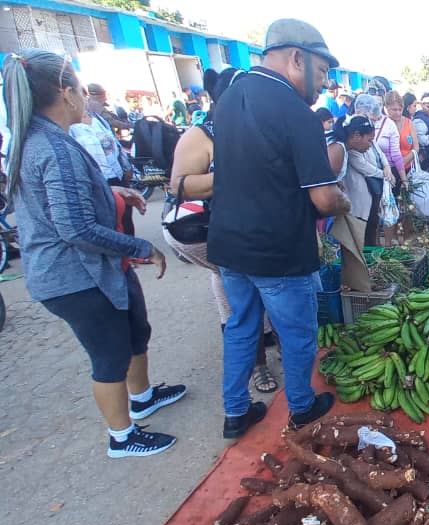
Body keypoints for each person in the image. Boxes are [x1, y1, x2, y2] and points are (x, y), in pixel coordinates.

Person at [2, 49, 187, 457]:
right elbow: (75, 229)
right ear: (67, 94)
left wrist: (112, 192)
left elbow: (64, 205)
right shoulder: (53, 148)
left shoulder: (48, 140)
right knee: (110, 355)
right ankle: (122, 437)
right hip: (74, 277)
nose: (88, 99)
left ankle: (143, 397)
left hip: (99, 269)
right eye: (84, 91)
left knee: (136, 331)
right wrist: (141, 247)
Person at [207, 18, 350, 438]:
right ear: (295, 58)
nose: (324, 83)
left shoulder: (229, 98)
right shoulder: (297, 114)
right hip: (277, 252)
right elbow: (324, 199)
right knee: (298, 333)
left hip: (230, 245)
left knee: (240, 328)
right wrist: (344, 200)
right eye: (322, 71)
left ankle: (235, 412)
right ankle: (302, 408)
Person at [162, 68, 281, 396]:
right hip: (226, 236)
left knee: (267, 305)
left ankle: (254, 384)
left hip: (266, 235)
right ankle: (256, 371)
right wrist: (232, 174)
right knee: (243, 311)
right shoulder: (202, 135)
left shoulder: (259, 129)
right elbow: (179, 185)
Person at [345, 110, 392, 246]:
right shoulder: (350, 151)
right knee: (360, 234)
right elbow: (365, 168)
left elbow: (380, 153)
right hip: (358, 199)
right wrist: (383, 173)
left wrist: (386, 167)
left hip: (371, 193)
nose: (370, 144)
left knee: (372, 224)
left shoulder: (367, 143)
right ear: (357, 136)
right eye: (369, 140)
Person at [70, 105, 126, 186]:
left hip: (117, 175)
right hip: (97, 182)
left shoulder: (98, 119)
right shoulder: (70, 127)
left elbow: (116, 143)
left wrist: (126, 166)